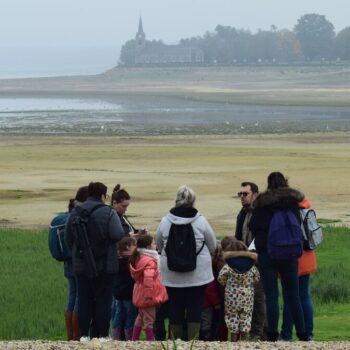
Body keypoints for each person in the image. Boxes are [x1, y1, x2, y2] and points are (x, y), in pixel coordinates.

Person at [249, 171, 309, 341]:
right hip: (290, 254)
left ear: (268, 184)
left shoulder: (262, 203)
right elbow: (297, 224)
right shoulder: (292, 202)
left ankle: (273, 335)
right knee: (293, 295)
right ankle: (303, 334)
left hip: (268, 254)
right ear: (285, 182)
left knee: (272, 295)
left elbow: (253, 225)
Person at [65, 181, 125, 342]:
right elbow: (118, 234)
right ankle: (103, 335)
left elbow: (68, 239)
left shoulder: (75, 212)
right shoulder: (108, 212)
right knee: (103, 300)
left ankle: (84, 335)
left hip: (81, 266)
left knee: (84, 298)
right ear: (102, 196)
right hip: (106, 265)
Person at [156, 185, 217, 340]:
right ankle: (193, 342)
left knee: (174, 307)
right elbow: (213, 245)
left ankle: (174, 342)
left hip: (171, 274)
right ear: (193, 201)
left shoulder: (165, 221)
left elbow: (159, 246)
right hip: (198, 274)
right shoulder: (201, 221)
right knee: (195, 308)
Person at [280, 198, 317, 341]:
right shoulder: (305, 208)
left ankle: (286, 334)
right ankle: (308, 333)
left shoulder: (285, 212)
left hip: (291, 259)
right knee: (304, 297)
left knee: (289, 298)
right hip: (307, 256)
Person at [235, 181, 266, 340]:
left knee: (259, 299)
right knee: (247, 300)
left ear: (254, 194)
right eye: (240, 194)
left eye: (245, 194)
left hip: (260, 262)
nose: (241, 197)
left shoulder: (262, 211)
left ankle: (260, 334)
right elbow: (238, 238)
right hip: (245, 262)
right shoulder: (242, 213)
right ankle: (252, 333)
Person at [218, 236, 260, 342]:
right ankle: (244, 339)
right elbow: (257, 278)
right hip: (248, 297)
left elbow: (221, 279)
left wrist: (227, 284)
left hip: (231, 297)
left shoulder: (228, 266)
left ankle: (234, 340)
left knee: (232, 316)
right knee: (246, 316)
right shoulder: (251, 266)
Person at [129, 234, 168, 341]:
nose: (155, 245)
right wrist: (149, 295)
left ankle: (134, 339)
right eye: (153, 243)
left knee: (140, 317)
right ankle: (150, 341)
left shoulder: (138, 257)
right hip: (148, 295)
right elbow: (148, 278)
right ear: (148, 247)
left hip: (139, 292)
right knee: (149, 319)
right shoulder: (150, 260)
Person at [64, 186, 88, 341]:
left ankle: (70, 336)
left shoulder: (69, 213)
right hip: (79, 262)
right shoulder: (78, 215)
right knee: (79, 296)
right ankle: (76, 336)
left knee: (72, 296)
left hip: (68, 263)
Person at [111, 237, 137, 341]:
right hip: (128, 294)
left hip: (117, 293)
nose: (136, 248)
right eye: (134, 245)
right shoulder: (131, 261)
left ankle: (115, 336)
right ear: (127, 247)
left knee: (118, 314)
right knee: (131, 315)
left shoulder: (116, 259)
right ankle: (129, 338)